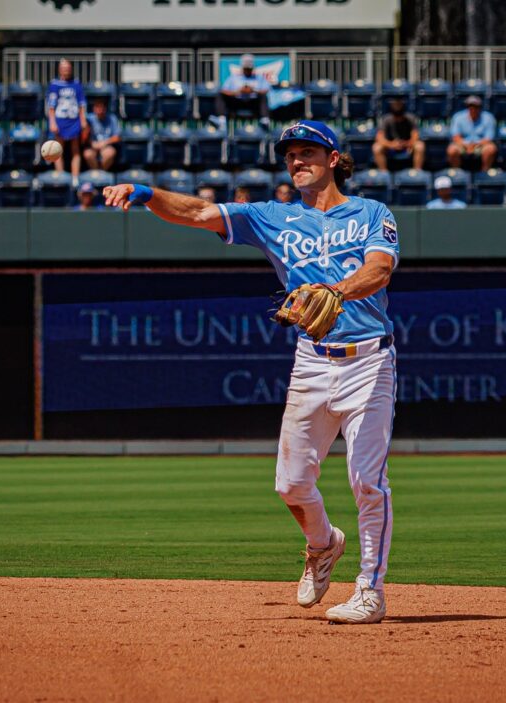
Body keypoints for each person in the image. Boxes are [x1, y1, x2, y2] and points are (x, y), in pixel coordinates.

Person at [103, 120, 399, 625]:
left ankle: (370, 590)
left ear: (333, 159)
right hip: (312, 360)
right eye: (289, 154)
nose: (296, 161)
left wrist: (336, 292)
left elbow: (380, 268)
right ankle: (323, 544)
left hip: (369, 360)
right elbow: (198, 211)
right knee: (290, 485)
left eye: (308, 151)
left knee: (366, 481)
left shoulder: (372, 212)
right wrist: (145, 191)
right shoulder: (272, 217)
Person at [47, 58, 88, 181]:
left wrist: (83, 120)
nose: (66, 70)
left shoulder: (76, 84)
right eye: (64, 68)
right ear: (60, 70)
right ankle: (60, 176)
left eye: (68, 68)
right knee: (58, 150)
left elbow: (81, 104)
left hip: (74, 120)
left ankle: (75, 177)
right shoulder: (54, 85)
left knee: (75, 150)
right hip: (60, 120)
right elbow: (51, 106)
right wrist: (52, 122)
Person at [214, 53, 271, 131]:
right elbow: (223, 90)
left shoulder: (259, 78)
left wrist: (253, 90)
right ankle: (221, 121)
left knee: (263, 97)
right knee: (220, 95)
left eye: (249, 69)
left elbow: (266, 90)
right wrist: (238, 91)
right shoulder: (234, 77)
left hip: (253, 103)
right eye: (246, 69)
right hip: (237, 102)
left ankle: (265, 121)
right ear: (242, 68)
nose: (247, 71)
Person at [372, 98, 424, 172]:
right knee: (376, 147)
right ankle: (384, 174)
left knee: (420, 146)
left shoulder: (410, 118)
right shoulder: (386, 119)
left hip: (407, 147)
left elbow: (415, 136)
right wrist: (391, 145)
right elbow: (379, 138)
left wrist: (407, 144)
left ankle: (417, 173)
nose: (398, 119)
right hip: (390, 147)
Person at [447, 95, 497, 171]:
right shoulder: (458, 117)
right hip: (463, 144)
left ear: (479, 107)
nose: (473, 108)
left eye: (476, 106)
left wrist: (475, 145)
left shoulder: (488, 117)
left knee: (490, 148)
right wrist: (466, 145)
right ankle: (457, 173)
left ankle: (485, 172)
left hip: (481, 145)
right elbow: (456, 137)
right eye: (470, 106)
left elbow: (488, 138)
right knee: (452, 150)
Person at [84, 98, 120, 171]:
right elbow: (83, 136)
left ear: (105, 109)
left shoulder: (112, 118)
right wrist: (91, 143)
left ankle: (101, 174)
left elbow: (117, 137)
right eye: (98, 108)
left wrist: (105, 143)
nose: (100, 111)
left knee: (110, 153)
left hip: (106, 146)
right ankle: (96, 174)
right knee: (87, 154)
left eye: (102, 108)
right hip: (92, 146)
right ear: (94, 109)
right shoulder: (89, 119)